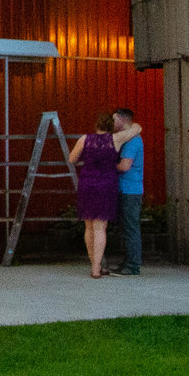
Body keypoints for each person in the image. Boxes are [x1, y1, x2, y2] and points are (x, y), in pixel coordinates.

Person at [69, 114, 124, 277]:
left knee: (89, 226)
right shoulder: (115, 139)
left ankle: (93, 264)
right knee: (101, 228)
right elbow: (135, 130)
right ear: (110, 126)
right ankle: (96, 268)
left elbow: (72, 158)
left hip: (87, 182)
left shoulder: (84, 139)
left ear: (97, 125)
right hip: (107, 183)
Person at [111, 107, 146, 276]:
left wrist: (107, 167)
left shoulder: (133, 141)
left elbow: (125, 166)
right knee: (126, 227)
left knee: (130, 227)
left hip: (129, 189)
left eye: (115, 119)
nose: (113, 123)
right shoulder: (130, 138)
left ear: (123, 120)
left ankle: (133, 265)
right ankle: (128, 261)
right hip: (127, 188)